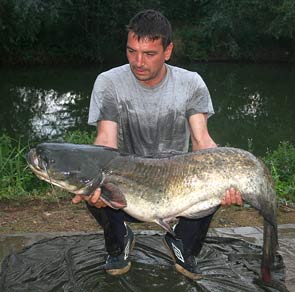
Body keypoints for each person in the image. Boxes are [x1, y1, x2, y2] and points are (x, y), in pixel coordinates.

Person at [72, 9, 242, 279]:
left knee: (213, 186)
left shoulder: (190, 83)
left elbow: (201, 141)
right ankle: (119, 241)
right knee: (93, 180)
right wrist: (95, 184)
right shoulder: (108, 82)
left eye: (149, 54)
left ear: (168, 51)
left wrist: (225, 178)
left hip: (175, 182)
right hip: (128, 182)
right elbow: (105, 142)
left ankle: (181, 244)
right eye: (131, 52)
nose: (138, 62)